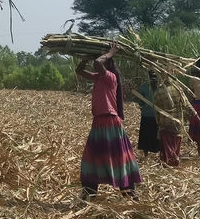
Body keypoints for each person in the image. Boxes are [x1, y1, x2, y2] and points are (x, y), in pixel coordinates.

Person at [75, 44, 141, 199]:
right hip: (98, 123)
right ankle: (89, 192)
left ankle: (129, 193)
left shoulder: (111, 77)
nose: (98, 64)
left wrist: (111, 52)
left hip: (110, 122)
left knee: (119, 158)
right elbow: (79, 71)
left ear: (108, 63)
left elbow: (98, 62)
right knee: (92, 158)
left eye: (104, 60)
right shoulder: (98, 77)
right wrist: (85, 59)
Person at [153, 77, 193, 167]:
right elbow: (186, 104)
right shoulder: (178, 89)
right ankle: (174, 158)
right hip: (177, 121)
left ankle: (171, 159)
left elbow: (156, 110)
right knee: (176, 142)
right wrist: (195, 113)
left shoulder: (158, 92)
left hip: (165, 122)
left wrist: (158, 121)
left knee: (167, 143)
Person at [135, 71, 161, 159]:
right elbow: (141, 102)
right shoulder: (144, 88)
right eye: (152, 77)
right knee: (146, 135)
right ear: (149, 78)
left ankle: (158, 154)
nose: (153, 79)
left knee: (157, 135)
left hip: (157, 117)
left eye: (155, 77)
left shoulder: (160, 88)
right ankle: (146, 155)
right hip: (147, 116)